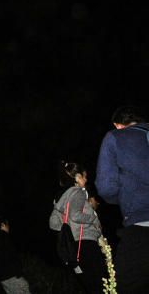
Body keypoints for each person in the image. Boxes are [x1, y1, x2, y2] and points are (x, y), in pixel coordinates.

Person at [95, 105, 149, 294]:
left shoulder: (115, 137)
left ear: (118, 125)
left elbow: (106, 187)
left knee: (122, 286)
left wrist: (124, 197)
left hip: (141, 223)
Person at [49, 161, 104, 293]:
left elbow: (53, 224)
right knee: (102, 283)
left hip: (73, 247)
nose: (86, 179)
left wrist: (67, 225)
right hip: (86, 243)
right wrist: (92, 218)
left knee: (91, 285)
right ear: (78, 177)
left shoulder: (62, 198)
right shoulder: (78, 192)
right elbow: (75, 215)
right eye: (84, 176)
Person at [0, 216, 30, 294]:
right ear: (3, 225)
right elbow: (11, 255)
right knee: (24, 287)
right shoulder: (3, 238)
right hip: (11, 275)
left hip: (3, 277)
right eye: (7, 225)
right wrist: (18, 273)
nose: (8, 227)